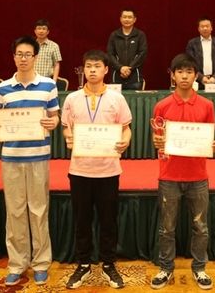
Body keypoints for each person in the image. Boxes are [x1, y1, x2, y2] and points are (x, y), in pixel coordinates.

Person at [0, 36, 59, 286]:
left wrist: (53, 122)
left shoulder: (48, 85)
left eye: (28, 54)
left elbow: (55, 116)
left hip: (39, 155)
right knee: (15, 211)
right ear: (14, 57)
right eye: (19, 54)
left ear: (36, 57)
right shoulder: (3, 88)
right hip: (11, 157)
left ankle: (41, 263)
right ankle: (17, 264)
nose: (23, 58)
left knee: (39, 211)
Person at [62, 50, 133, 289]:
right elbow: (66, 127)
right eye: (88, 66)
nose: (92, 70)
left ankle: (108, 264)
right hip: (79, 170)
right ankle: (83, 264)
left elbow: (126, 127)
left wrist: (125, 141)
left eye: (97, 66)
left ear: (105, 70)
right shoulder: (72, 98)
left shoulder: (116, 98)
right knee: (82, 220)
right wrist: (68, 135)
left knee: (108, 220)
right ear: (83, 70)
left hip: (108, 170)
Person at [149, 53, 215, 290]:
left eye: (189, 71)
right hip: (169, 176)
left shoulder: (207, 105)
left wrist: (212, 146)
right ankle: (165, 268)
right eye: (180, 71)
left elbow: (208, 139)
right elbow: (157, 139)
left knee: (200, 227)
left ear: (196, 75)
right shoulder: (162, 106)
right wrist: (157, 142)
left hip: (198, 176)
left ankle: (199, 268)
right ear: (172, 75)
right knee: (166, 228)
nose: (184, 76)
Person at [107, 9, 147, 90]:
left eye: (129, 17)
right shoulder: (114, 35)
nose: (127, 19)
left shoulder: (140, 35)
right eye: (124, 17)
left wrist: (130, 68)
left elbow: (142, 54)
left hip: (135, 77)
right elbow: (110, 54)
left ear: (134, 19)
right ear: (120, 19)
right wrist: (120, 68)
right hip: (117, 77)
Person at [185, 17, 215, 89]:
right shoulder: (192, 43)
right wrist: (201, 77)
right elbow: (190, 63)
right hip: (198, 82)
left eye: (207, 26)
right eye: (202, 26)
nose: (205, 28)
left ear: (211, 28)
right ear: (198, 29)